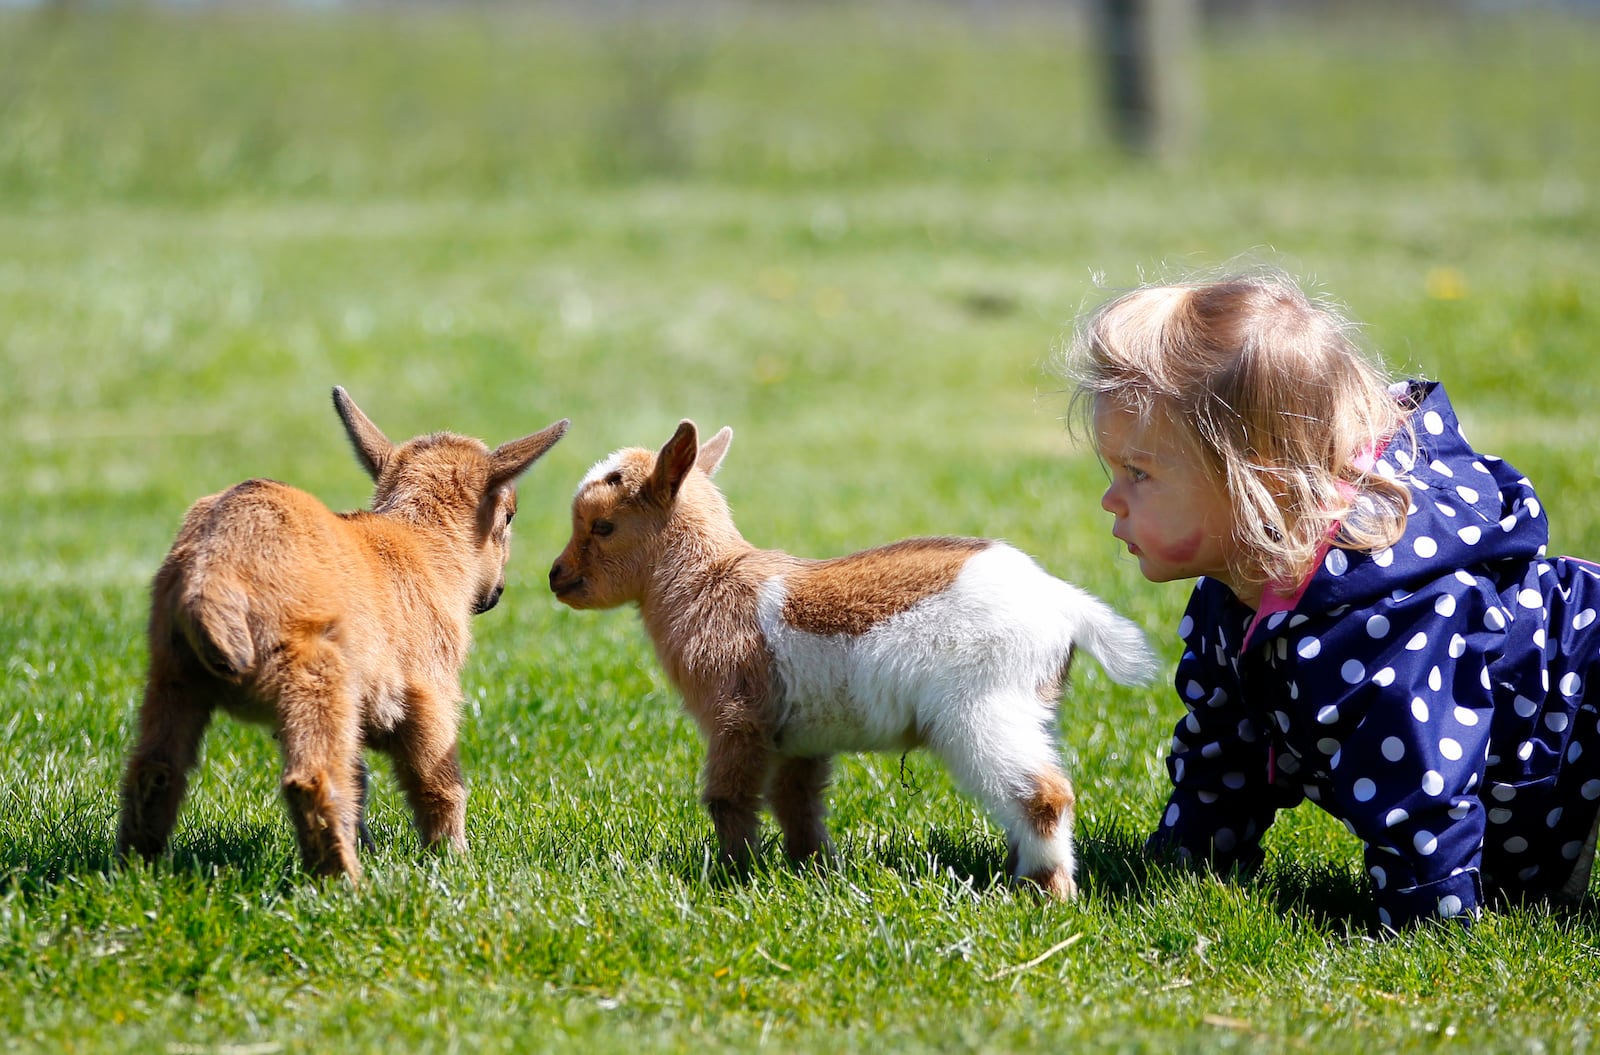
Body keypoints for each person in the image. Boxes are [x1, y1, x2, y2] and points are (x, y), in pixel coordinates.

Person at [1063, 270, 1600, 929]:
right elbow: (1226, 751)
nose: (1110, 499)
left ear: (1251, 478)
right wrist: (1186, 866)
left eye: (1138, 473)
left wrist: (1426, 929)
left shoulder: (1385, 618)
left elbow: (1421, 791)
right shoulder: (1235, 595)